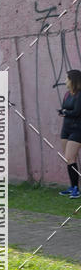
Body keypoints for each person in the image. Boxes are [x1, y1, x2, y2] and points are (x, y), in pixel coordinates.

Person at [58, 68, 81, 198]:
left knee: (70, 157)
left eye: (67, 78)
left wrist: (65, 112)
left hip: (77, 129)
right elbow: (64, 108)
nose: (65, 81)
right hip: (66, 129)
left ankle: (76, 189)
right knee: (68, 159)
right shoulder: (67, 94)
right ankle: (72, 186)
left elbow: (77, 112)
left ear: (73, 80)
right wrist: (63, 111)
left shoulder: (80, 94)